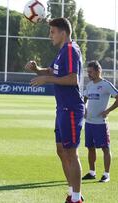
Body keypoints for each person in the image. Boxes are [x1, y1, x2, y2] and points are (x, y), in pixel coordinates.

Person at [25, 18, 85, 203]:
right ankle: (72, 192)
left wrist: (47, 80)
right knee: (61, 150)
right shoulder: (62, 52)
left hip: (72, 108)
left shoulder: (70, 50)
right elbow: (51, 72)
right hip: (63, 108)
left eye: (52, 32)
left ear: (63, 33)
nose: (49, 35)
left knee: (70, 152)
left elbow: (73, 79)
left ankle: (76, 199)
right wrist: (37, 70)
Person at [81, 61, 118, 183]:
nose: (89, 74)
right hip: (89, 123)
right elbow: (84, 98)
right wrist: (85, 110)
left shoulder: (106, 85)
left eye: (91, 72)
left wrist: (108, 110)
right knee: (90, 148)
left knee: (105, 148)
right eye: (88, 72)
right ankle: (92, 172)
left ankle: (106, 174)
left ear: (98, 71)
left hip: (101, 124)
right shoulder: (90, 85)